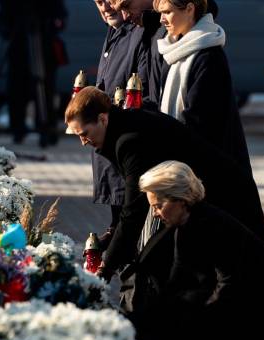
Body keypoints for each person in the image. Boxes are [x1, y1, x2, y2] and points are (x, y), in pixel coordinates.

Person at [64, 86, 264, 283]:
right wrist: (112, 239)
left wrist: (106, 268)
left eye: (84, 134)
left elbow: (134, 208)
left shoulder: (128, 141)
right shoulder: (123, 128)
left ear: (102, 119)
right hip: (209, 193)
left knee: (242, 271)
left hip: (225, 193)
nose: (83, 142)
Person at [126, 160, 264, 340]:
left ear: (180, 199)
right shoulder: (188, 223)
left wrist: (188, 326)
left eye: (158, 206)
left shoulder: (208, 224)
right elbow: (182, 286)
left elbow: (230, 287)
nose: (156, 214)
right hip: (246, 303)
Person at [153, 0, 251, 173]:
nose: (161, 20)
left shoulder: (209, 55)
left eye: (167, 12)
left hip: (209, 171)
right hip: (184, 164)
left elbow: (200, 121)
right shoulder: (172, 51)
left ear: (190, 9)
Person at [91, 0, 146, 249]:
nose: (105, 7)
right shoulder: (114, 30)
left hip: (129, 150)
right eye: (98, 2)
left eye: (109, 0)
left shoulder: (138, 30)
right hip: (113, 153)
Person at [0, 0, 67, 146]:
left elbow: (60, 15)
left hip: (44, 45)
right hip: (19, 44)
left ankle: (46, 127)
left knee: (45, 88)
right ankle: (18, 128)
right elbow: (4, 14)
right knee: (17, 88)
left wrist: (53, 23)